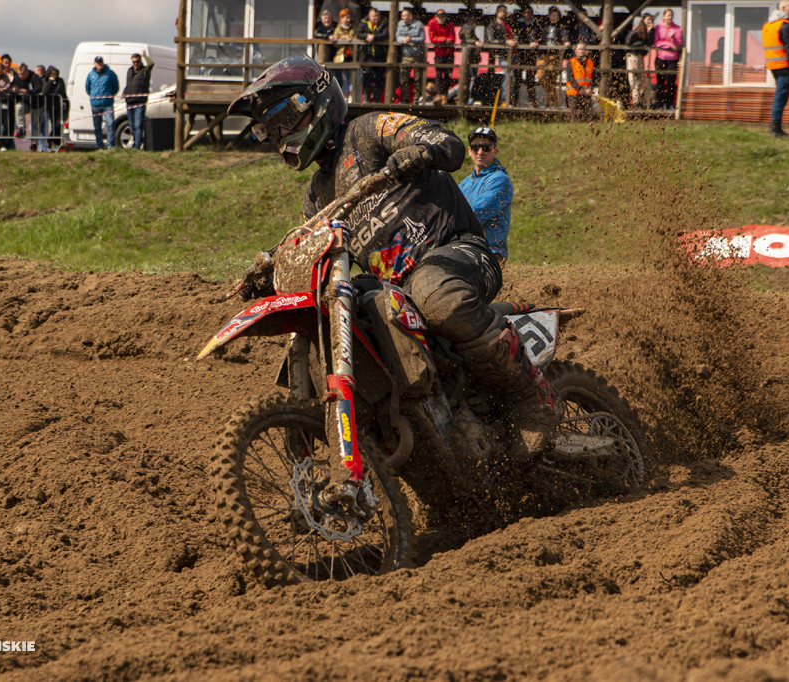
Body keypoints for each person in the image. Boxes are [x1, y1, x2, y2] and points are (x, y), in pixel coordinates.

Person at [228, 55, 560, 472]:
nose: (282, 133)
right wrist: (272, 271)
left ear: (320, 100)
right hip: (400, 291)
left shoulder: (369, 130)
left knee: (433, 292)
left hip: (460, 251)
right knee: (337, 318)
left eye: (287, 117)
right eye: (269, 128)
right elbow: (319, 254)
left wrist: (419, 151)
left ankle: (533, 396)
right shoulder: (316, 196)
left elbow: (449, 144)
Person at [458, 127, 512, 263]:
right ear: (469, 151)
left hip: (489, 253)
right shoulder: (465, 183)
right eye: (475, 147)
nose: (480, 152)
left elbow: (477, 212)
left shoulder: (500, 180)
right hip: (464, 248)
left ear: (495, 151)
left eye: (486, 148)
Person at [763, 0, 789, 138]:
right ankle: (775, 129)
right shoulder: (784, 25)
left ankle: (774, 127)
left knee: (780, 95)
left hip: (773, 66)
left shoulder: (768, 25)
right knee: (781, 96)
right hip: (784, 66)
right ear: (783, 8)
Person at [510, 4, 544, 108]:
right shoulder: (517, 24)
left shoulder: (536, 25)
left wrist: (536, 42)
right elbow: (513, 35)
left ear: (532, 14)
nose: (527, 14)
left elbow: (541, 37)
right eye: (525, 12)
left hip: (531, 54)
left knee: (530, 78)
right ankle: (513, 102)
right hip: (519, 54)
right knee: (516, 78)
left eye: (529, 12)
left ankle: (532, 102)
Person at [537, 6, 571, 108]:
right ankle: (552, 95)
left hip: (555, 55)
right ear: (549, 15)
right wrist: (533, 41)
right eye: (553, 15)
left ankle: (549, 104)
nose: (555, 17)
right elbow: (536, 34)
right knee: (541, 76)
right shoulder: (543, 25)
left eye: (557, 15)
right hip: (543, 55)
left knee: (552, 79)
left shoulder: (562, 26)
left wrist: (566, 41)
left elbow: (564, 34)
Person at [486, 5, 518, 105]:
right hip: (502, 54)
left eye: (505, 11)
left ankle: (509, 100)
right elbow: (491, 40)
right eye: (501, 11)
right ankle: (504, 100)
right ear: (497, 12)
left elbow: (511, 37)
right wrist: (505, 42)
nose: (503, 13)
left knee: (512, 77)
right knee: (509, 75)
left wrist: (513, 42)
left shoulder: (507, 24)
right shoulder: (492, 25)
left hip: (512, 53)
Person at [85, 56, 119, 149]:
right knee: (97, 127)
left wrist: (109, 95)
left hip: (107, 104)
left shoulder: (110, 73)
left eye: (101, 62)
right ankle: (100, 146)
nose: (99, 64)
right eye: (98, 62)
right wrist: (94, 96)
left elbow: (116, 87)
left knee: (110, 124)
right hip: (95, 105)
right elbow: (87, 88)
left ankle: (110, 146)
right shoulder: (90, 74)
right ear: (94, 63)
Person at [652, 9, 682, 110]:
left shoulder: (677, 28)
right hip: (661, 57)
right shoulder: (658, 27)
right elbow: (656, 42)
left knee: (671, 82)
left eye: (671, 16)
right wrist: (669, 44)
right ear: (664, 16)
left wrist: (672, 39)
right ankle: (659, 103)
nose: (669, 17)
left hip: (673, 58)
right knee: (660, 80)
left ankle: (670, 104)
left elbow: (678, 45)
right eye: (668, 15)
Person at [356, 7, 388, 102]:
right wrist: (366, 36)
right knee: (367, 75)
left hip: (381, 55)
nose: (376, 18)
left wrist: (374, 37)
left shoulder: (384, 23)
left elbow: (386, 35)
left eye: (378, 16)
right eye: (374, 16)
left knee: (380, 77)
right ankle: (367, 96)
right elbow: (358, 34)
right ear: (369, 16)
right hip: (368, 55)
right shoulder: (364, 23)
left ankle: (376, 98)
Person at [123, 52, 154, 150]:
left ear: (140, 61)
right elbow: (128, 84)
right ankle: (135, 143)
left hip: (139, 102)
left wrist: (145, 55)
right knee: (132, 125)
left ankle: (137, 146)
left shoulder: (145, 70)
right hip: (129, 101)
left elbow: (151, 64)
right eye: (133, 62)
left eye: (137, 61)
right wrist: (125, 92)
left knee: (138, 125)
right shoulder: (129, 70)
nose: (135, 63)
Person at [396, 8, 426, 103]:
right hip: (405, 56)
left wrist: (411, 39)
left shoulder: (419, 24)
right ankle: (405, 98)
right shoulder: (400, 24)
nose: (403, 17)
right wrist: (403, 40)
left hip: (417, 55)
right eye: (402, 16)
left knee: (418, 79)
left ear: (410, 16)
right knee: (403, 78)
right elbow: (397, 36)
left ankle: (416, 99)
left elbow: (422, 38)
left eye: (405, 15)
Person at [426, 9, 456, 101]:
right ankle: (438, 94)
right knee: (438, 74)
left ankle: (444, 95)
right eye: (440, 17)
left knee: (448, 75)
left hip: (449, 53)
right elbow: (432, 38)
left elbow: (452, 38)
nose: (441, 18)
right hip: (439, 53)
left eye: (443, 16)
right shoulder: (432, 23)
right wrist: (443, 39)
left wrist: (446, 40)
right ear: (436, 17)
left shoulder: (449, 23)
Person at [625, 17, 654, 108]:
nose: (649, 22)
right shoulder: (636, 31)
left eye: (650, 20)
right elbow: (628, 42)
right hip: (632, 56)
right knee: (634, 81)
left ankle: (640, 102)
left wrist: (649, 32)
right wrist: (639, 45)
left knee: (641, 81)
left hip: (640, 57)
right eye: (647, 19)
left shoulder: (648, 33)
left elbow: (649, 44)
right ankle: (635, 103)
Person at [11, 63, 43, 146]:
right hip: (25, 103)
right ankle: (21, 128)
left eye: (22, 74)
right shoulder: (17, 78)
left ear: (27, 72)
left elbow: (39, 88)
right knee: (18, 107)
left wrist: (27, 92)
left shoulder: (34, 77)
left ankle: (34, 143)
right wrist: (13, 89)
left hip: (36, 104)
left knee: (35, 124)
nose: (20, 76)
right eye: (19, 74)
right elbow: (10, 88)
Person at [331, 8, 359, 100]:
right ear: (341, 18)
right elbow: (335, 41)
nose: (347, 19)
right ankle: (345, 95)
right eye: (345, 18)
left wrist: (349, 37)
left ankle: (351, 95)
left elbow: (355, 38)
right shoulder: (338, 28)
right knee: (344, 77)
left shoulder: (353, 28)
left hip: (351, 55)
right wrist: (342, 38)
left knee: (351, 76)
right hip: (341, 56)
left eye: (349, 17)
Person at [565, 43, 595, 122]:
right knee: (574, 115)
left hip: (586, 92)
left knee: (589, 115)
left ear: (585, 51)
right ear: (575, 51)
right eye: (579, 49)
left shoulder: (590, 62)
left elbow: (593, 78)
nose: (581, 51)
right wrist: (579, 89)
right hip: (573, 92)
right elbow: (570, 78)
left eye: (583, 49)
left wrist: (590, 88)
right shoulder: (571, 62)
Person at [459, 14, 484, 103]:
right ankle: (468, 98)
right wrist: (476, 42)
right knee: (470, 78)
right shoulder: (467, 29)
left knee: (471, 78)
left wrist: (477, 46)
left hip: (472, 58)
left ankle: (468, 98)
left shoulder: (470, 30)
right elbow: (466, 40)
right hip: (469, 58)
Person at [42, 66, 67, 151]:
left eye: (55, 74)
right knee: (44, 125)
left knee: (57, 124)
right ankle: (47, 144)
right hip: (47, 106)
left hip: (58, 106)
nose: (54, 75)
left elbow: (60, 91)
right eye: (52, 74)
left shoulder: (60, 81)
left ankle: (55, 142)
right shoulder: (45, 81)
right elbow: (44, 91)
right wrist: (51, 81)